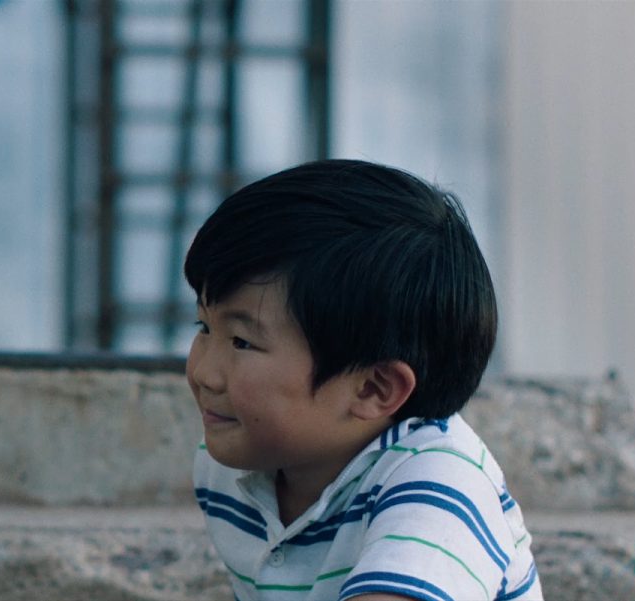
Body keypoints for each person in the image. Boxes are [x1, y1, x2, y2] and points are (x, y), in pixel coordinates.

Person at [184, 160, 540, 600]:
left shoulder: (440, 484)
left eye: (242, 342)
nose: (203, 373)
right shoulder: (231, 467)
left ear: (374, 388)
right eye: (203, 327)